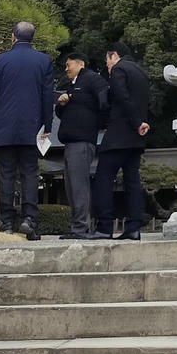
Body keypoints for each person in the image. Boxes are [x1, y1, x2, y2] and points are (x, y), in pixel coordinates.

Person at [0, 21, 55, 240]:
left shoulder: (0, 60)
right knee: (30, 173)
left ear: (13, 36)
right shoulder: (44, 61)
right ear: (32, 38)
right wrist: (47, 125)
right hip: (32, 127)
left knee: (6, 174)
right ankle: (29, 219)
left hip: (4, 126)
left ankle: (7, 222)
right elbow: (47, 95)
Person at [90, 42, 151, 240]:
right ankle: (134, 227)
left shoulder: (119, 70)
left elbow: (122, 97)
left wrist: (136, 122)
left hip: (119, 135)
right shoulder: (141, 72)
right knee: (132, 180)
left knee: (103, 178)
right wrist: (141, 123)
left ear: (113, 55)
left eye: (107, 61)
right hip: (137, 137)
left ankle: (104, 226)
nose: (107, 66)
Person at [55, 53, 108, 239]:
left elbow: (104, 102)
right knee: (71, 186)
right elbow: (62, 112)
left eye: (68, 65)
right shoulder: (73, 85)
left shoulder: (92, 79)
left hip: (82, 140)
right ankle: (77, 226)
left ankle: (81, 227)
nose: (66, 69)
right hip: (70, 140)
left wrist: (99, 124)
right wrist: (62, 104)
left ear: (80, 64)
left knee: (78, 185)